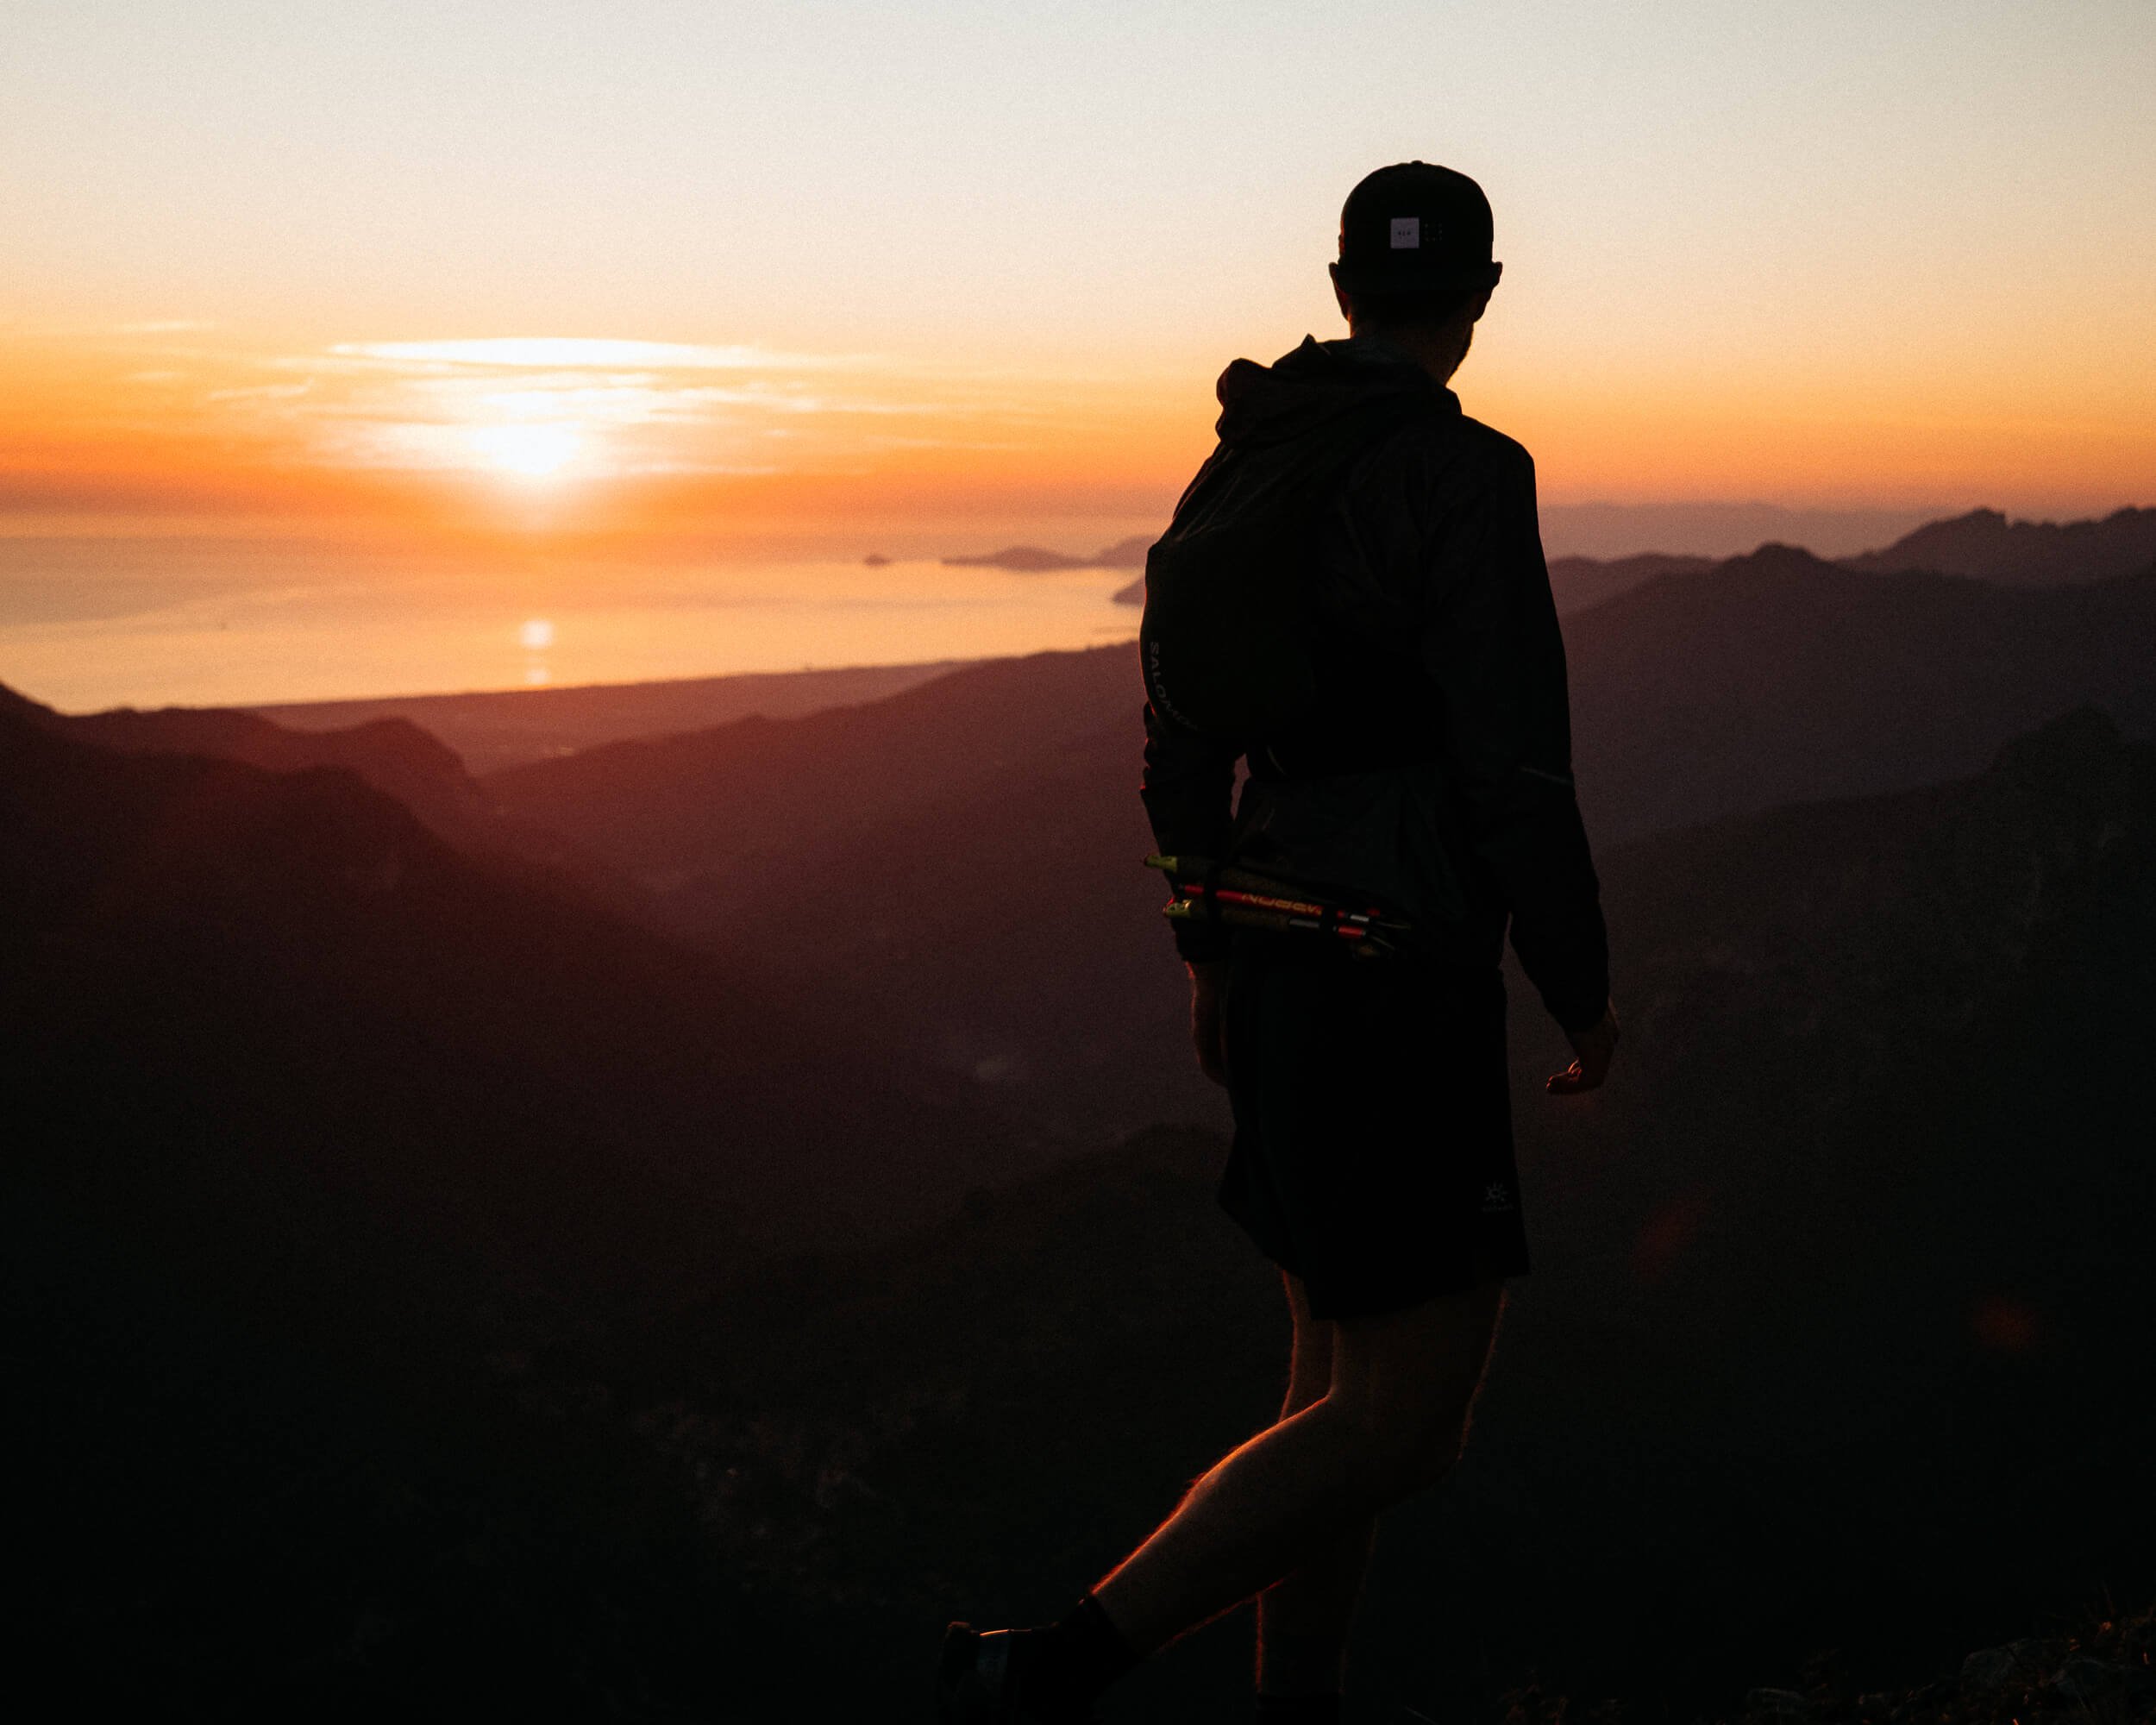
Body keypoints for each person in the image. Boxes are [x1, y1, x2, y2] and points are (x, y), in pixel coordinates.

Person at [937, 160, 1618, 1725]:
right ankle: (1046, 1673)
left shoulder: (1245, 456)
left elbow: (1178, 722)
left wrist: (1199, 930)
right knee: (1410, 1418)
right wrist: (1579, 990)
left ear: (1335, 286)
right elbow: (1516, 766)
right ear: (1487, 293)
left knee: (1332, 1386)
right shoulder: (1465, 473)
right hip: (1395, 969)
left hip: (1269, 948)